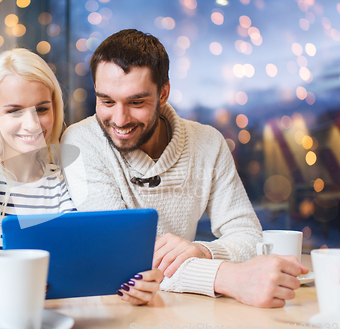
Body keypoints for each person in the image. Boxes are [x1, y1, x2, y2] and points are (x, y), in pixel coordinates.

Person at [61, 29, 308, 308]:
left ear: (163, 93)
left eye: (136, 102)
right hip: (113, 308)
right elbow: (121, 258)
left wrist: (203, 251)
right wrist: (226, 277)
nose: (119, 119)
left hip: (184, 307)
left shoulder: (208, 142)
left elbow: (249, 236)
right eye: (106, 101)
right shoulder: (80, 142)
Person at [0, 48, 162, 311]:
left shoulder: (60, 175)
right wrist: (7, 284)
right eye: (14, 111)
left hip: (44, 316)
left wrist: (130, 284)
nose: (31, 124)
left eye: (41, 109)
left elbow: (77, 263)